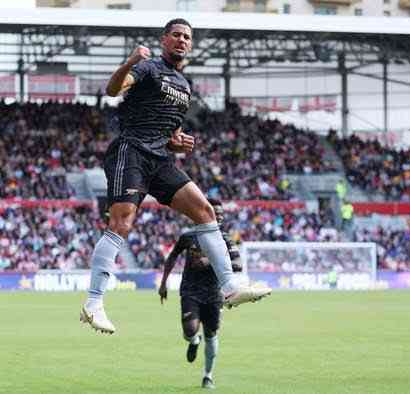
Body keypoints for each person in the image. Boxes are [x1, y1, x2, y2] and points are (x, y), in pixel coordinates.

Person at [80, 18, 271, 335]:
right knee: (122, 223)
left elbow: (169, 130)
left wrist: (176, 142)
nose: (182, 40)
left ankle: (230, 287)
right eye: (177, 35)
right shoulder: (149, 68)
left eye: (187, 37)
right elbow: (113, 89)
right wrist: (130, 60)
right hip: (132, 150)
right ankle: (93, 303)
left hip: (160, 157)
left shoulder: (184, 85)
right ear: (165, 39)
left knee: (205, 211)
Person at [158, 199, 243, 389]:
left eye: (221, 214)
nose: (219, 216)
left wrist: (210, 261)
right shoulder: (189, 236)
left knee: (211, 335)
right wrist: (163, 283)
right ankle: (194, 340)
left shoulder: (225, 239)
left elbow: (238, 266)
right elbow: (172, 256)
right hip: (190, 291)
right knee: (189, 330)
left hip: (214, 295)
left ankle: (208, 375)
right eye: (216, 213)